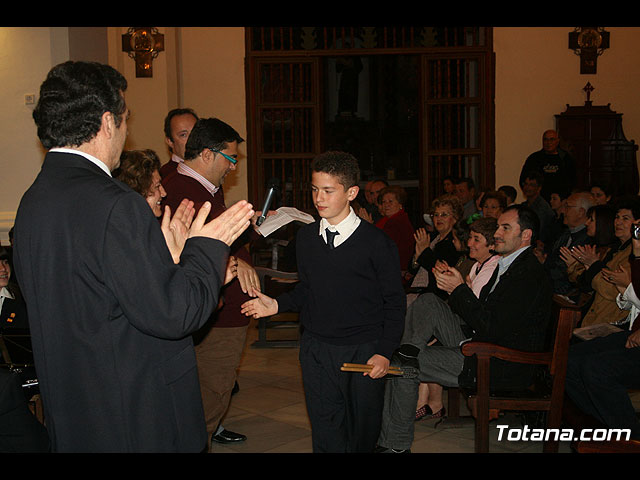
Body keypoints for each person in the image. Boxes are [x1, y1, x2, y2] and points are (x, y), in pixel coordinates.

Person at [12, 61, 255, 453]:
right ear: (108, 122)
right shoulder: (117, 204)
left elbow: (98, 300)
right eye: (126, 119)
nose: (127, 131)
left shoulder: (33, 202)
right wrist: (205, 249)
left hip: (76, 412)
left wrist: (168, 264)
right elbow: (175, 314)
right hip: (134, 415)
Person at [241, 151, 406, 453]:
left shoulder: (377, 243)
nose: (319, 198)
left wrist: (384, 352)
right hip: (316, 348)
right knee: (325, 430)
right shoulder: (306, 239)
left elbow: (395, 303)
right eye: (315, 189)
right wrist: (276, 305)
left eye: (328, 191)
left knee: (361, 433)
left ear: (351, 193)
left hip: (363, 349)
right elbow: (308, 289)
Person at [376, 204, 552, 453]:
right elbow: (486, 317)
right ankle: (408, 350)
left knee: (402, 366)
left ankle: (395, 446)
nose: (497, 233)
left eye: (505, 227)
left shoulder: (528, 274)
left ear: (526, 235)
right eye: (498, 226)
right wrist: (457, 290)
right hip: (480, 341)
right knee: (428, 302)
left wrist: (458, 290)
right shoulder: (508, 264)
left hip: (498, 361)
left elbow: (491, 326)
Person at [161, 117, 259, 448]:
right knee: (209, 396)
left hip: (213, 311)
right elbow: (184, 251)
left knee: (204, 396)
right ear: (207, 154)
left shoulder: (199, 189)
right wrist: (231, 260)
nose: (233, 168)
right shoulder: (185, 192)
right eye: (230, 159)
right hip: (216, 315)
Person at [411, 217, 499, 422]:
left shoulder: (490, 269)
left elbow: (473, 313)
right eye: (470, 238)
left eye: (476, 239)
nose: (469, 243)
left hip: (475, 338)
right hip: (466, 328)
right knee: (426, 312)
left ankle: (422, 398)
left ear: (492, 245)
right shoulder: (478, 265)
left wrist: (459, 288)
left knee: (421, 338)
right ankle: (430, 401)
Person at [564, 225, 640, 440]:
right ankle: (605, 428)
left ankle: (631, 438)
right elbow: (627, 301)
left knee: (596, 369)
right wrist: (626, 287)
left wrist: (627, 286)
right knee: (568, 360)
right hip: (631, 330)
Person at [569, 197, 640, 327]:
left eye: (625, 218)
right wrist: (579, 266)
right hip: (594, 314)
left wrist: (593, 265)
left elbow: (612, 290)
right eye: (617, 217)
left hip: (611, 319)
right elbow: (586, 283)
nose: (618, 222)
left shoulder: (633, 254)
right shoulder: (613, 249)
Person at [408, 195, 464, 299]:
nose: (439, 218)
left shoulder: (454, 241)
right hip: (417, 289)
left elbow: (440, 268)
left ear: (455, 218)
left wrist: (424, 251)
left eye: (444, 215)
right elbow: (412, 269)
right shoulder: (431, 237)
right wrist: (416, 256)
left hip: (437, 295)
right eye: (435, 215)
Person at [541, 191, 594, 295]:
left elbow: (565, 272)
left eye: (568, 207)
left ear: (581, 212)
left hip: (567, 294)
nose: (563, 211)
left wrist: (544, 264)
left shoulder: (587, 240)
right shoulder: (565, 233)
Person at [519, 129, 576, 202]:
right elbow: (523, 179)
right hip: (538, 200)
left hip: (560, 201)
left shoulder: (565, 159)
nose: (548, 143)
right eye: (545, 140)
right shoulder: (534, 159)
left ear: (557, 141)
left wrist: (563, 196)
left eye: (552, 139)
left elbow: (572, 180)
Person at [374, 185, 415, 272]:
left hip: (395, 270)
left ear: (400, 205)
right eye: (384, 202)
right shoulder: (391, 219)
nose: (386, 205)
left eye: (390, 201)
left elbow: (381, 247)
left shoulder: (396, 221)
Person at [519, 171, 556, 250]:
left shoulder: (543, 207)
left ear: (539, 188)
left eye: (531, 185)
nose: (527, 188)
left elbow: (538, 231)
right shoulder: (524, 205)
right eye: (526, 184)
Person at [160, 107, 199, 178]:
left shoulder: (210, 170)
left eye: (195, 132)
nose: (192, 139)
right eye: (183, 135)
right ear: (170, 141)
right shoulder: (166, 176)